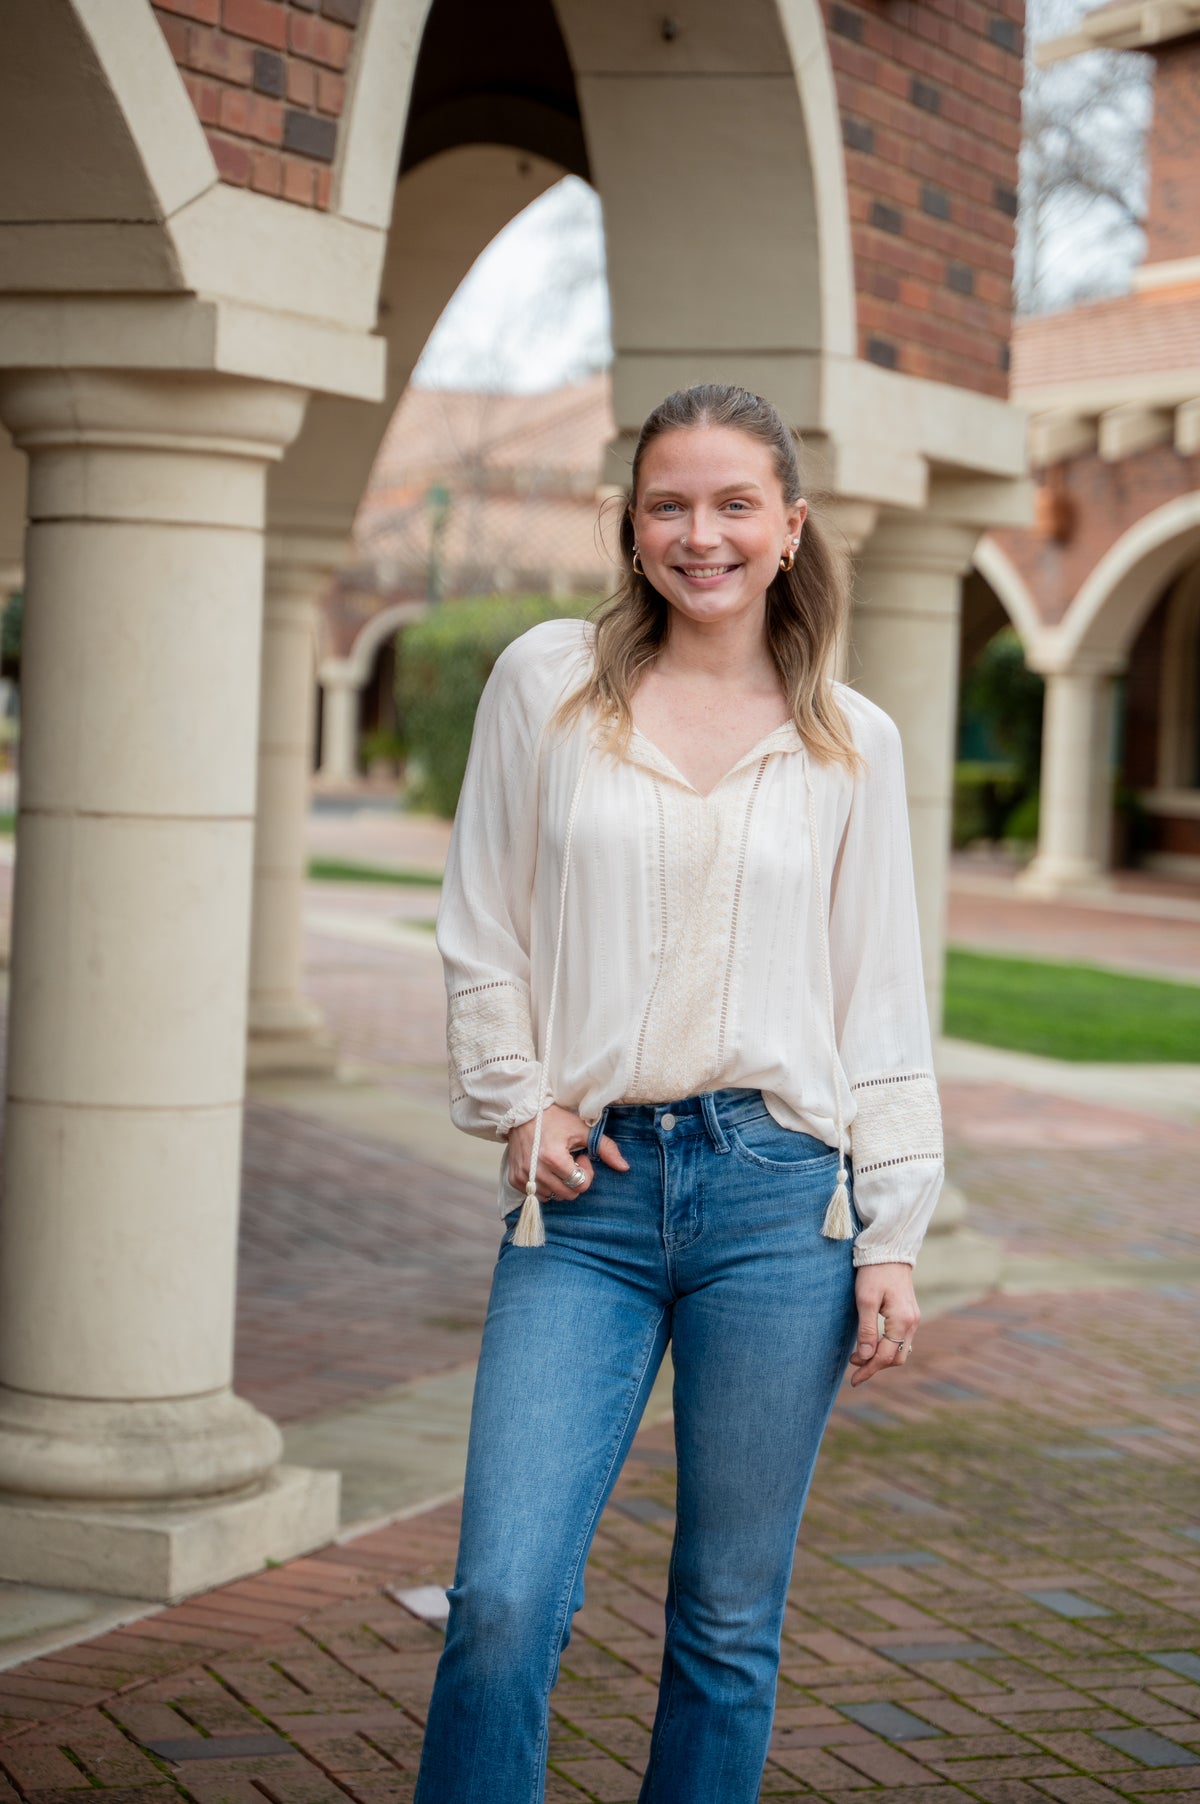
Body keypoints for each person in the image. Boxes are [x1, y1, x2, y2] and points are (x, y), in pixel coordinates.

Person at [415, 383, 944, 1804]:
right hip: (581, 1205)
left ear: (788, 528)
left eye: (732, 505)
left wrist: (891, 1231)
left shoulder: (854, 742)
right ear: (629, 522)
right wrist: (517, 1104)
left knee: (725, 1623)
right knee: (504, 1601)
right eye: (668, 504)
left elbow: (880, 995)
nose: (699, 535)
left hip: (782, 1208)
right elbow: (484, 922)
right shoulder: (545, 682)